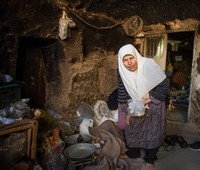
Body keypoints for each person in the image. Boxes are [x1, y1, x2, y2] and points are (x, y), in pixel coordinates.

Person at [117, 44, 170, 170]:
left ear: (136, 56)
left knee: (153, 131)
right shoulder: (121, 71)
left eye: (131, 58)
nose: (129, 63)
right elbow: (122, 92)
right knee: (132, 128)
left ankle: (150, 159)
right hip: (134, 103)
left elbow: (165, 85)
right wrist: (128, 111)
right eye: (125, 60)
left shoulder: (148, 65)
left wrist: (147, 101)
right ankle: (134, 153)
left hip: (153, 103)